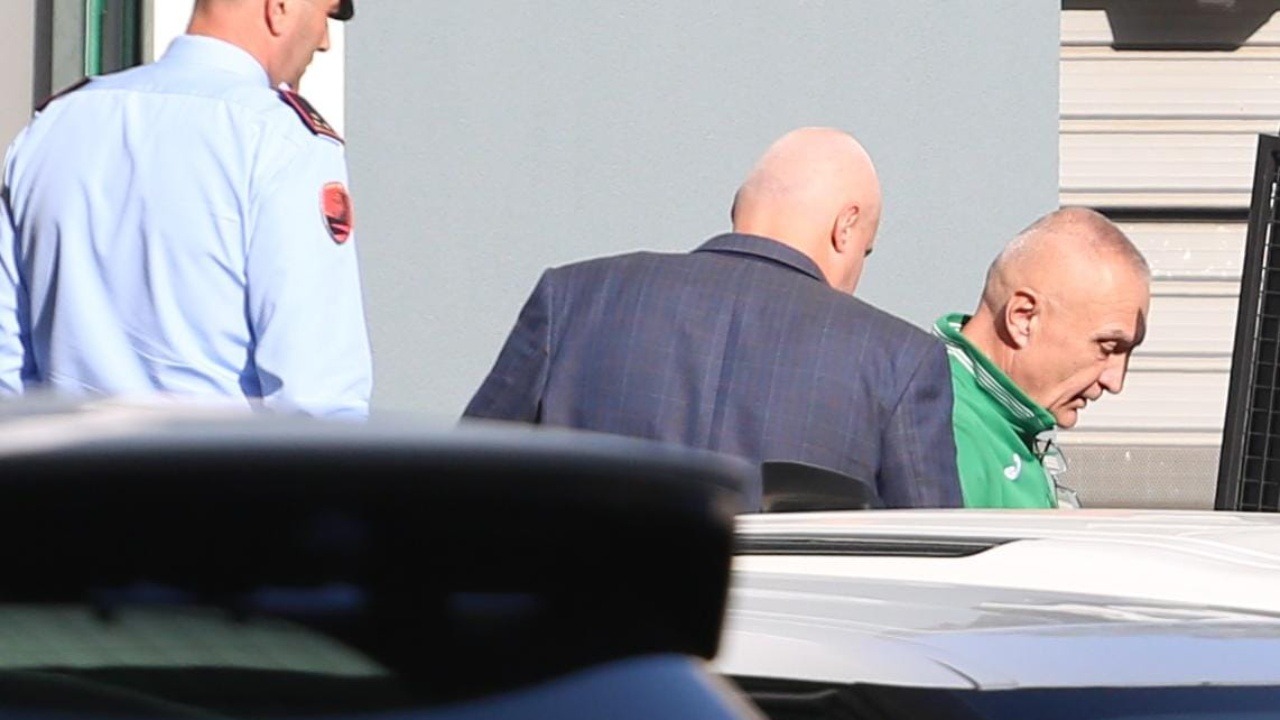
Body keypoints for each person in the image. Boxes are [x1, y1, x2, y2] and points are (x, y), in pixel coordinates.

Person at [463, 127, 963, 510]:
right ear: (846, 226)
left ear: (738, 208)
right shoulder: (899, 361)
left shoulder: (573, 298)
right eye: (866, 252)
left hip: (587, 615)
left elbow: (461, 485)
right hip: (788, 619)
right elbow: (934, 564)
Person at [0, 0, 370, 419]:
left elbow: (9, 380)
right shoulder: (281, 140)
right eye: (324, 15)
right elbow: (317, 402)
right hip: (210, 459)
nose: (323, 41)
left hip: (72, 459)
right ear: (279, 7)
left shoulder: (53, 125)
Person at [933, 207, 1150, 509]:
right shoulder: (944, 431)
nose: (1115, 382)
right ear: (1023, 318)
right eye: (1108, 346)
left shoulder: (1001, 422)